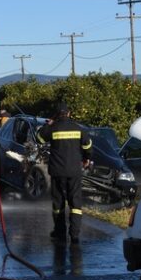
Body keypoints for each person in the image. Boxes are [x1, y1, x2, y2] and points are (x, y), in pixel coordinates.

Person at [37, 103, 92, 243]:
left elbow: (39, 138)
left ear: (56, 115)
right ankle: (74, 235)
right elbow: (88, 145)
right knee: (75, 203)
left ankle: (59, 232)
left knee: (58, 202)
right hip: (74, 171)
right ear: (69, 114)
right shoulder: (78, 128)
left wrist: (49, 124)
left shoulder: (53, 128)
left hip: (57, 171)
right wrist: (86, 158)